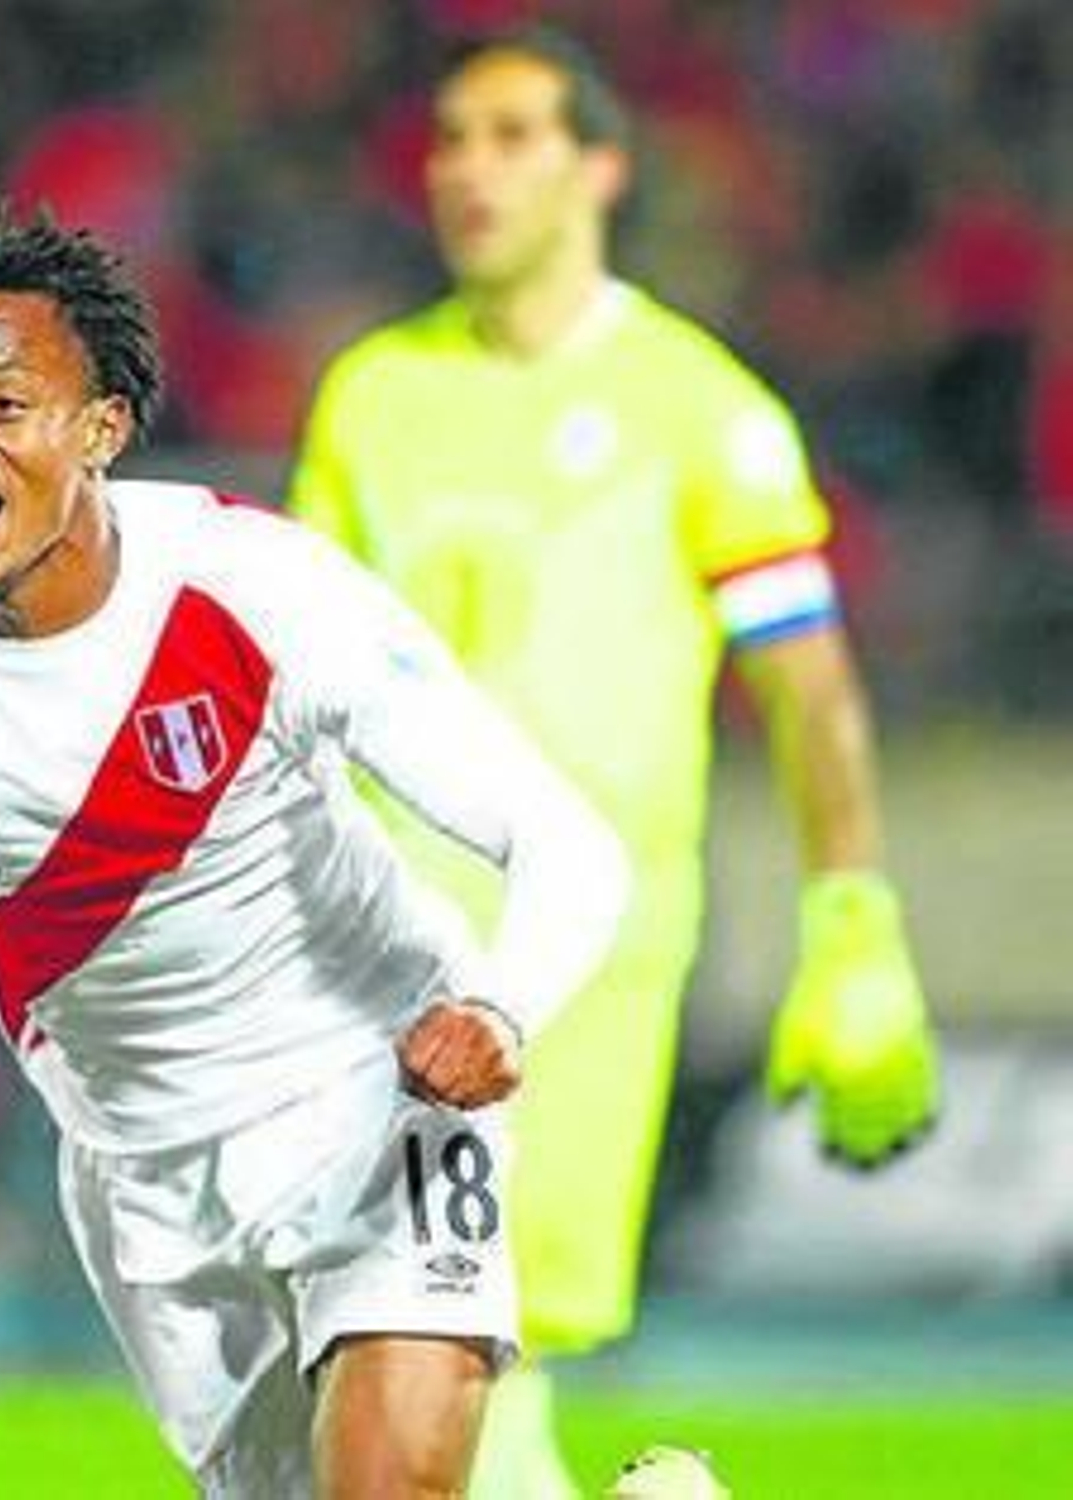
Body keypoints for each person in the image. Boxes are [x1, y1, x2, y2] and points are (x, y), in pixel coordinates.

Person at [0, 200, 630, 1498]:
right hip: (142, 1171)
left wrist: (503, 1008)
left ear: (102, 429)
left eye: (3, 404)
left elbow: (566, 844)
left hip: (379, 1096)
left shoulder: (259, 594)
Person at [288, 26, 941, 1500]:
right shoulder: (373, 397)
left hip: (587, 939)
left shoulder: (699, 407)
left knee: (479, 1333)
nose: (470, 168)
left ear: (600, 169)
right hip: (377, 944)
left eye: (514, 135)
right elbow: (304, 673)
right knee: (381, 1351)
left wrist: (855, 920)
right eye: (451, 138)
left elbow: (808, 677)